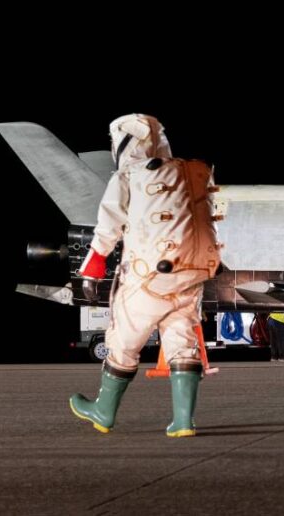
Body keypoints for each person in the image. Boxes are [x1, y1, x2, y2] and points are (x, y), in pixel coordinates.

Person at [69, 114, 221, 438]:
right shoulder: (189, 173)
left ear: (123, 143)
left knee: (123, 341)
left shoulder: (129, 174)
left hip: (148, 277)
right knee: (182, 342)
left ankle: (103, 412)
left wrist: (92, 268)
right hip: (191, 274)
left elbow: (109, 226)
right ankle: (183, 422)